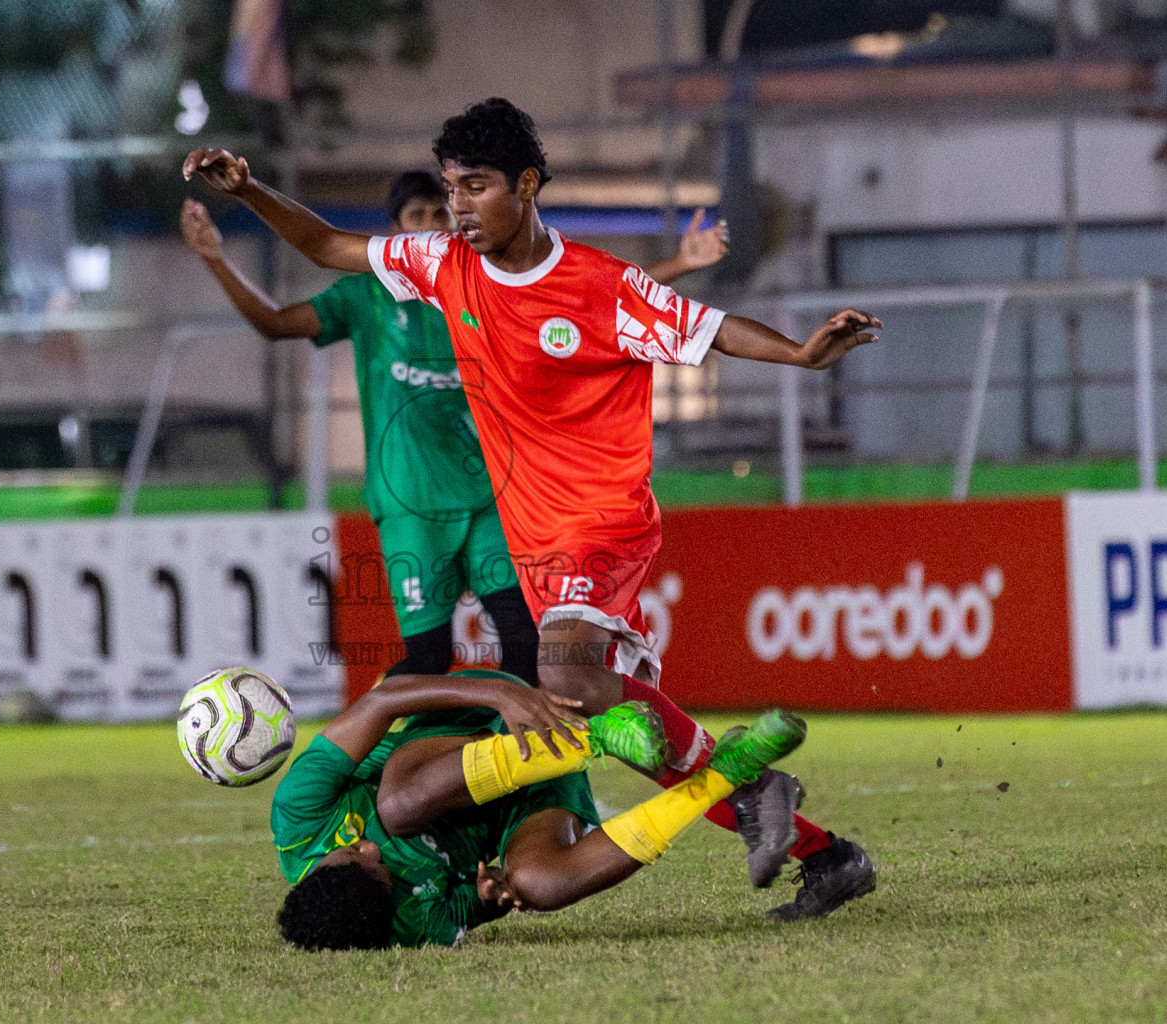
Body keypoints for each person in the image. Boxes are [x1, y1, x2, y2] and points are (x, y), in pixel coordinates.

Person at [184, 98, 879, 920]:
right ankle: (820, 850)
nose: (460, 208)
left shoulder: (600, 285)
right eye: (451, 191)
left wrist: (800, 354)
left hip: (604, 516)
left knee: (560, 674)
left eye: (476, 187)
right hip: (533, 536)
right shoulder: (444, 264)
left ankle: (755, 787)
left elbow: (712, 330)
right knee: (592, 694)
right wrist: (253, 192)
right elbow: (331, 245)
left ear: (528, 182)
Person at [179, 171, 728, 684]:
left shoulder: (478, 283)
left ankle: (504, 771)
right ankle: (374, 763)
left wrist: (678, 264)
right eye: (417, 216)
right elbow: (275, 324)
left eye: (440, 214)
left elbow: (589, 299)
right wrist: (215, 259)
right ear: (396, 230)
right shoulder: (364, 296)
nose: (432, 226)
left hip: (492, 498)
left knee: (526, 642)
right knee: (428, 659)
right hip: (412, 505)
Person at [271, 666, 806, 949]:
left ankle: (601, 735)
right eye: (379, 866)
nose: (369, 848)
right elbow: (480, 901)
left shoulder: (298, 818)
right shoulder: (408, 927)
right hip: (527, 804)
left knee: (397, 806)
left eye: (354, 851)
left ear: (318, 866)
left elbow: (381, 701)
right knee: (540, 885)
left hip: (494, 723)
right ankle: (726, 774)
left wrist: (496, 696)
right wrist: (493, 895)